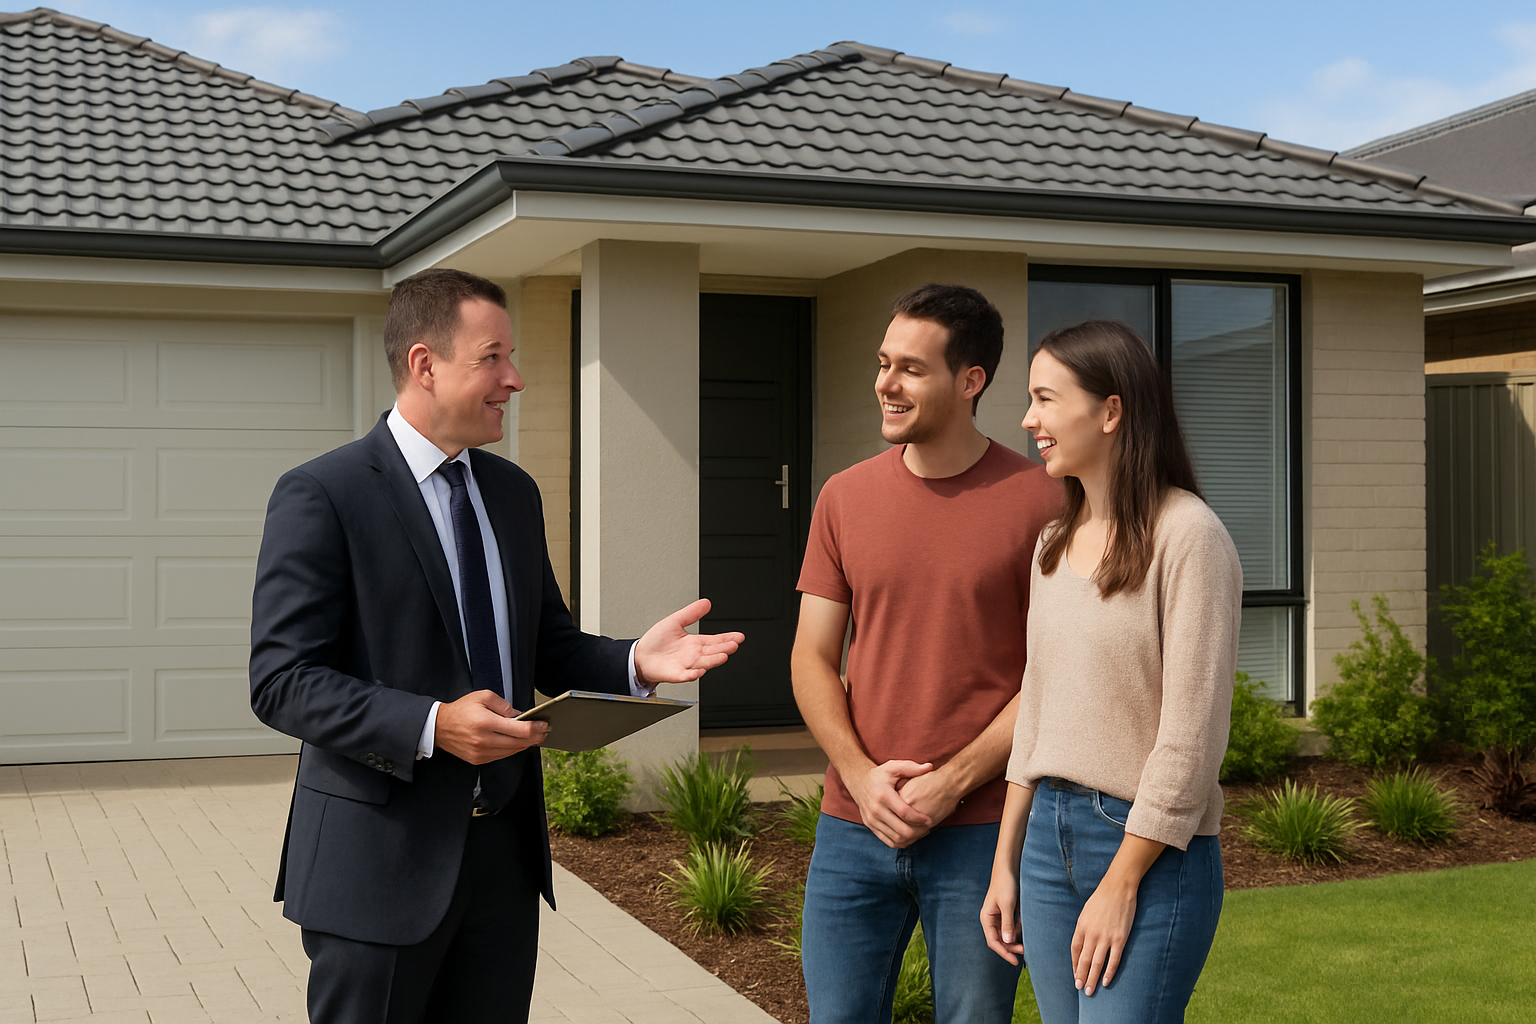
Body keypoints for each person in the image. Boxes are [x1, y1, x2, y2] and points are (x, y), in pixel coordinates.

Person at [249, 268, 743, 1024]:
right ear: (424, 364)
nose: (515, 379)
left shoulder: (512, 492)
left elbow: (545, 643)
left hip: (503, 869)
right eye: (493, 358)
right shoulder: (324, 494)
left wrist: (634, 661)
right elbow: (282, 680)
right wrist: (432, 724)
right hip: (378, 868)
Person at [792, 283, 1061, 1024]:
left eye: (911, 368)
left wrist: (951, 783)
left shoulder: (1044, 501)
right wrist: (860, 775)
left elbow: (1057, 672)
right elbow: (812, 657)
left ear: (969, 381)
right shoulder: (843, 498)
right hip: (853, 824)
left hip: (980, 833)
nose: (885, 383)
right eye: (884, 363)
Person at [979, 318, 1242, 1024]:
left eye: (1045, 398)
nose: (1028, 419)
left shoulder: (1189, 538)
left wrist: (1121, 880)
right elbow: (1035, 712)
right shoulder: (1053, 544)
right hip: (1044, 844)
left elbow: (1192, 739)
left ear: (1111, 410)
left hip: (1149, 850)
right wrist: (1005, 864)